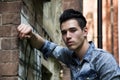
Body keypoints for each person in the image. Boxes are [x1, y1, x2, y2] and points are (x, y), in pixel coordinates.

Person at [17, 9, 120, 80]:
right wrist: (30, 34)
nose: (68, 36)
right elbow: (45, 46)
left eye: (73, 30)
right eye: (64, 32)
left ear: (85, 31)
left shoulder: (103, 60)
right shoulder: (70, 56)